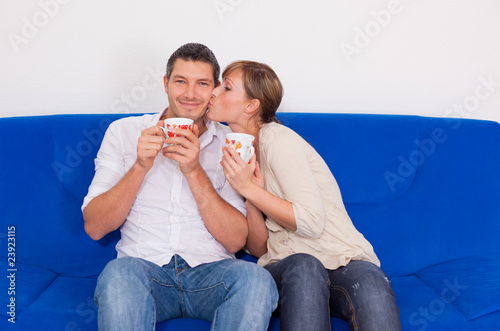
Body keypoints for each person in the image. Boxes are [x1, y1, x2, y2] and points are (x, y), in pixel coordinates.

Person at [81, 45, 278, 331]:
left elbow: (236, 241)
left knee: (257, 279)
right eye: (181, 81)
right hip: (142, 271)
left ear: (215, 90)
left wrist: (194, 170)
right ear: (165, 83)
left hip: (211, 274)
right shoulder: (123, 132)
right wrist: (139, 166)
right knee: (118, 274)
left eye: (202, 84)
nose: (189, 94)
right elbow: (95, 226)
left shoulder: (232, 141)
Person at [207, 60, 402, 331]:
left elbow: (311, 222)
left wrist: (249, 189)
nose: (214, 92)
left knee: (370, 279)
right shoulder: (235, 150)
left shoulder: (277, 139)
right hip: (292, 267)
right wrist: (250, 194)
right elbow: (259, 249)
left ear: (251, 105)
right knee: (304, 266)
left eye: (226, 87)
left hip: (341, 258)